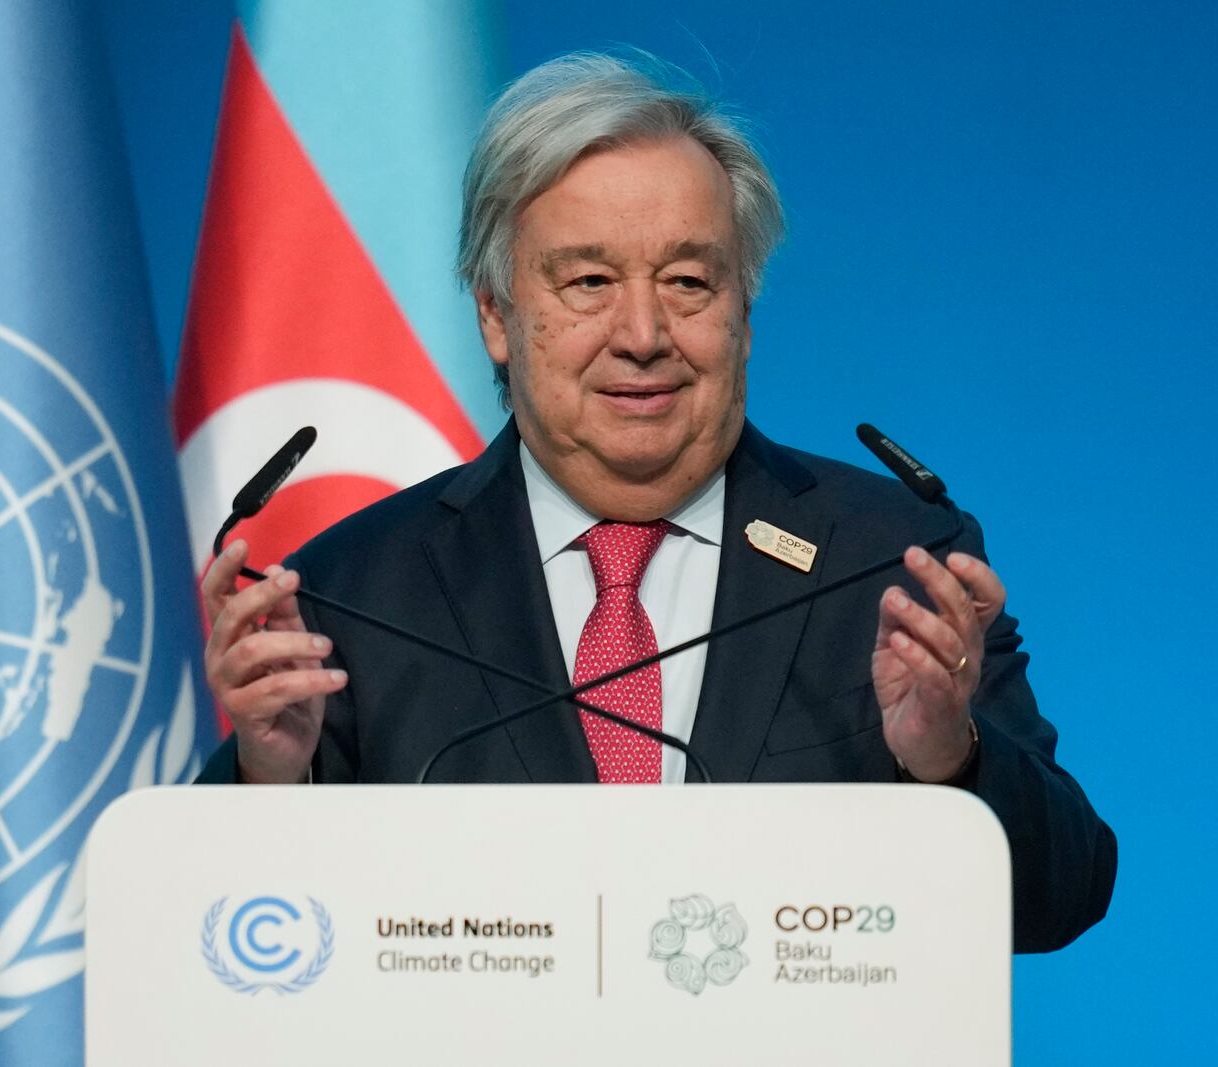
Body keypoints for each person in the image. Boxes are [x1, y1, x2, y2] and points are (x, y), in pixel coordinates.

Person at [194, 52, 1115, 952]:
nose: (643, 335)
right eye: (589, 282)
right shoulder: (354, 595)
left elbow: (1062, 895)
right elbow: (230, 948)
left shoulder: (889, 559)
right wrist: (274, 781)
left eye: (688, 282)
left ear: (743, 315)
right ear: (496, 316)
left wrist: (948, 758)